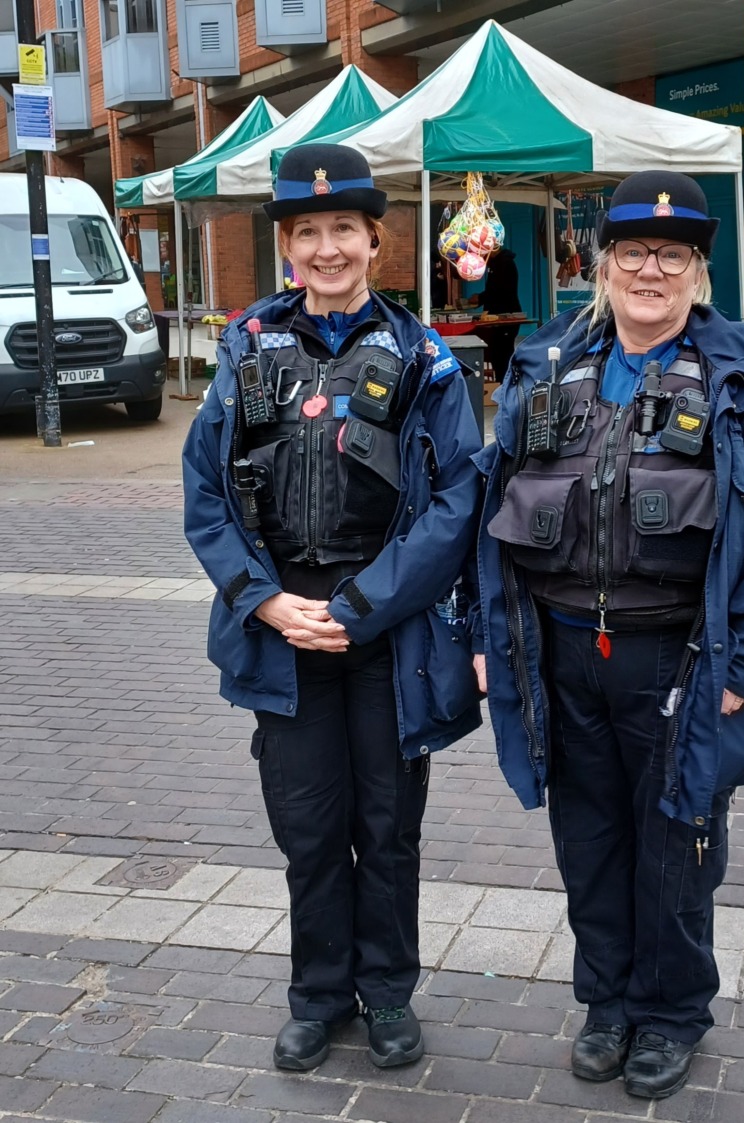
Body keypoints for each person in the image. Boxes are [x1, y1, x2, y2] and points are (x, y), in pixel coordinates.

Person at [472, 171, 744, 1100]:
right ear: (603, 263)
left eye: (671, 254)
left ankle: (670, 1014)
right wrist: (486, 636)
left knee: (678, 842)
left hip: (680, 660)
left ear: (697, 271)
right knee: (587, 841)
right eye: (632, 250)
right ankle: (608, 1005)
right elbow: (484, 515)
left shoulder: (741, 384)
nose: (650, 269)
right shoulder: (547, 367)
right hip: (561, 655)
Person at [182, 143, 482, 1075]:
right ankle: (317, 994)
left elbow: (456, 502)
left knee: (387, 828)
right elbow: (204, 492)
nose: (325, 248)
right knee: (308, 827)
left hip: (384, 633)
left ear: (375, 242)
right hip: (284, 635)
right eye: (306, 232)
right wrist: (267, 603)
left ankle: (387, 992)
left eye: (342, 229)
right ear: (287, 247)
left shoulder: (425, 360)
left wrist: (361, 603)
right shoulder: (245, 349)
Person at [471, 246, 521, 379]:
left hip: (505, 317)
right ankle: (501, 384)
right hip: (497, 315)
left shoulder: (504, 264)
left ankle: (505, 384)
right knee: (497, 354)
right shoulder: (496, 264)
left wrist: (481, 298)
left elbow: (499, 291)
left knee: (502, 355)